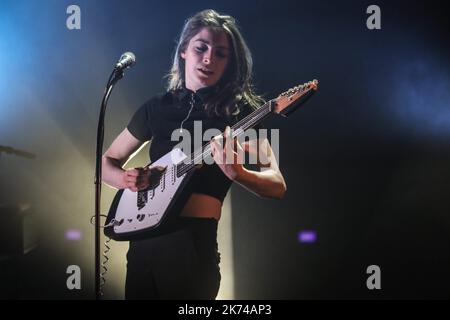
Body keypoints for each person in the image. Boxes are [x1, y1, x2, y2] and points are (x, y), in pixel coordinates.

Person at [102, 9, 287, 300]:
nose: (209, 58)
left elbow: (277, 185)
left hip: (192, 244)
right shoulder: (156, 107)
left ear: (230, 64)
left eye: (221, 54)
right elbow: (106, 164)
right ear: (184, 51)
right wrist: (127, 179)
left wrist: (240, 174)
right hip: (141, 245)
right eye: (201, 48)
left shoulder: (241, 114)